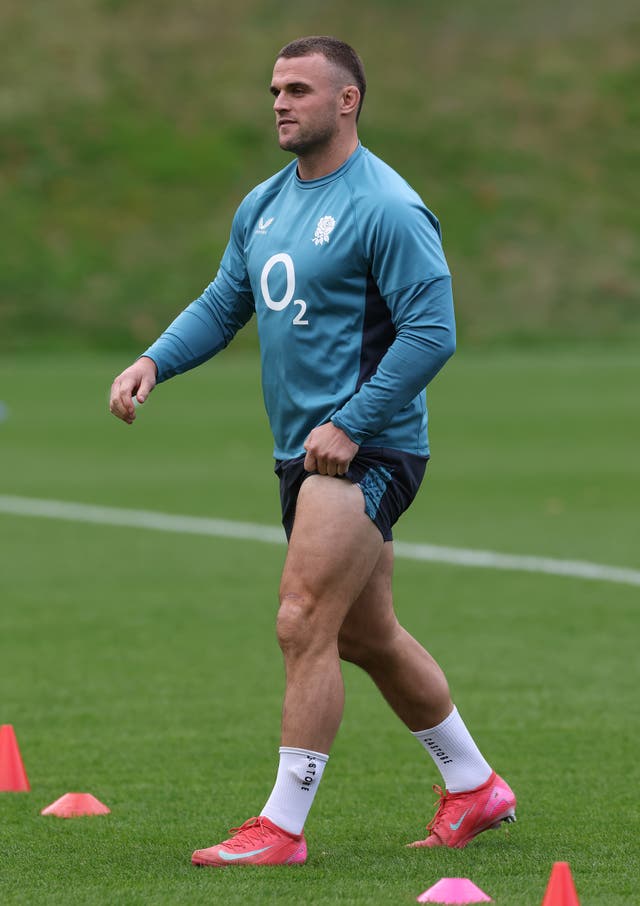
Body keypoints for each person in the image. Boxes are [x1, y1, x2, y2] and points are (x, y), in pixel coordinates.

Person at [109, 35, 516, 866]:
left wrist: (357, 420)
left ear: (347, 101)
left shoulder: (388, 206)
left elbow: (433, 333)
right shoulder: (263, 204)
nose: (280, 104)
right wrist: (155, 359)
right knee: (366, 634)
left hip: (367, 448)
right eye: (274, 89)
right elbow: (227, 301)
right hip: (305, 449)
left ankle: (282, 828)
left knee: (301, 620)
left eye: (298, 88)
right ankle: (474, 786)